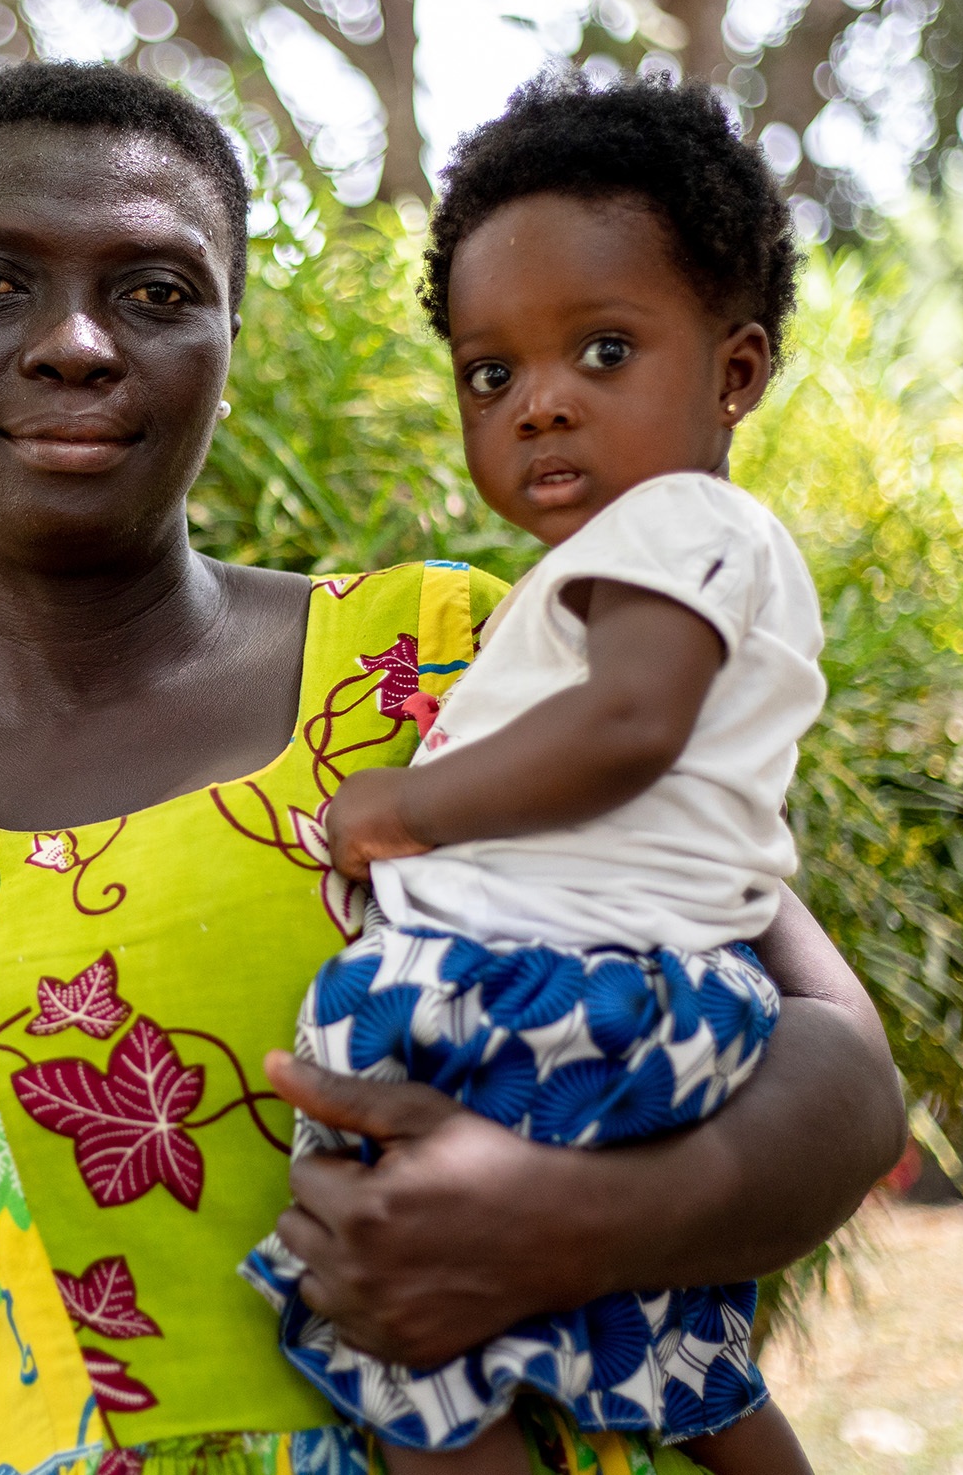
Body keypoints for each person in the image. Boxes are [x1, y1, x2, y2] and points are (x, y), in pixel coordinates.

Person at [0, 62, 905, 1475]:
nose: (77, 342)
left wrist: (573, 1220)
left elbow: (841, 1075)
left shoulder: (456, 663)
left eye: (154, 291)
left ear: (227, 336)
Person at [244, 73, 818, 1475]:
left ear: (734, 372)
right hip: (646, 997)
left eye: (604, 352)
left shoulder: (678, 525)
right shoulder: (655, 555)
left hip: (566, 988)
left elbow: (628, 727)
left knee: (382, 1299)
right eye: (492, 375)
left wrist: (401, 807)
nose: (542, 406)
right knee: (665, 1334)